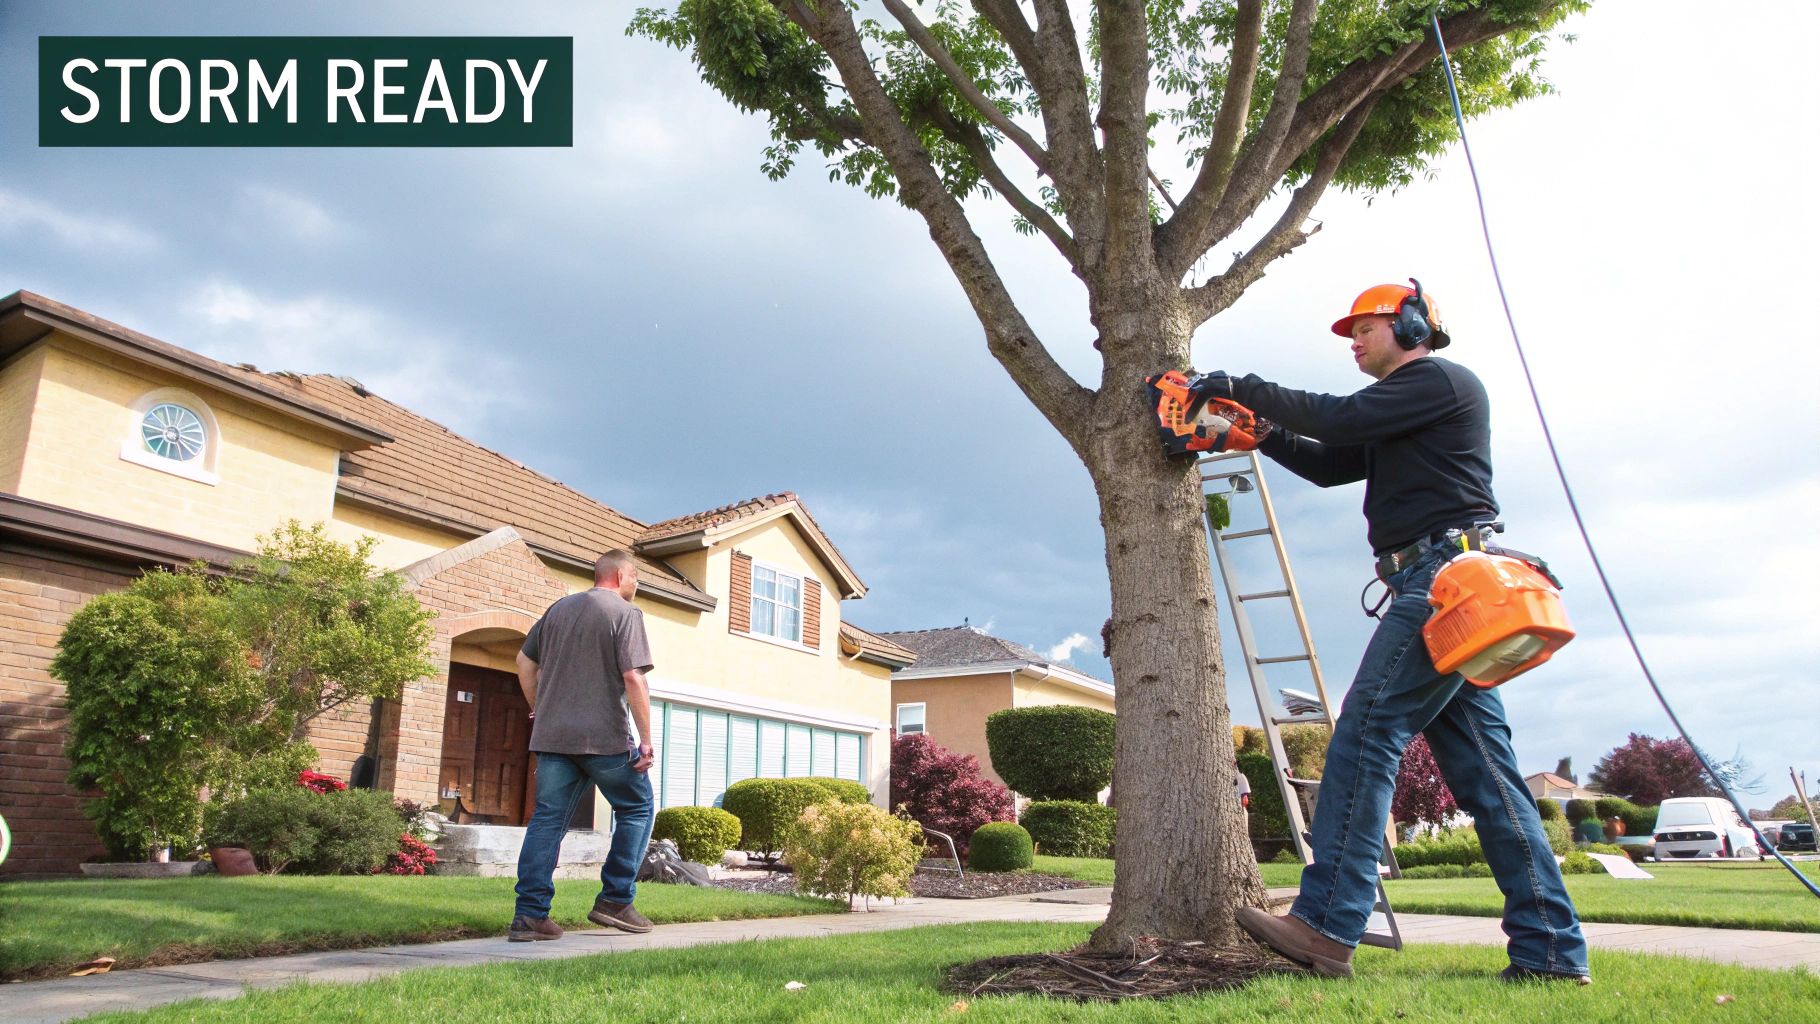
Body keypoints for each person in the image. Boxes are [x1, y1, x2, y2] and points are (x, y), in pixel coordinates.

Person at [1190, 281, 1591, 984]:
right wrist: (1256, 431)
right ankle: (1551, 955)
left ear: (1411, 325)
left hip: (1444, 579)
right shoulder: (1404, 413)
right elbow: (1329, 463)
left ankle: (1325, 926)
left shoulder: (1437, 380)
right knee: (1491, 781)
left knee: (1369, 730)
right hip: (1445, 580)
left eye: (1364, 328)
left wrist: (1234, 385)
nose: (1353, 340)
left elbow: (1340, 421)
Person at [508, 548, 658, 941]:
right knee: (638, 807)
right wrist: (646, 741)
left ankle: (529, 916)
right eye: (637, 577)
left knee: (547, 821)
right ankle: (615, 899)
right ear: (622, 575)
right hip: (603, 738)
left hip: (554, 738)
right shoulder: (625, 614)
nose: (637, 584)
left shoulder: (558, 610)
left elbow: (524, 664)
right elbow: (633, 677)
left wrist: (540, 709)